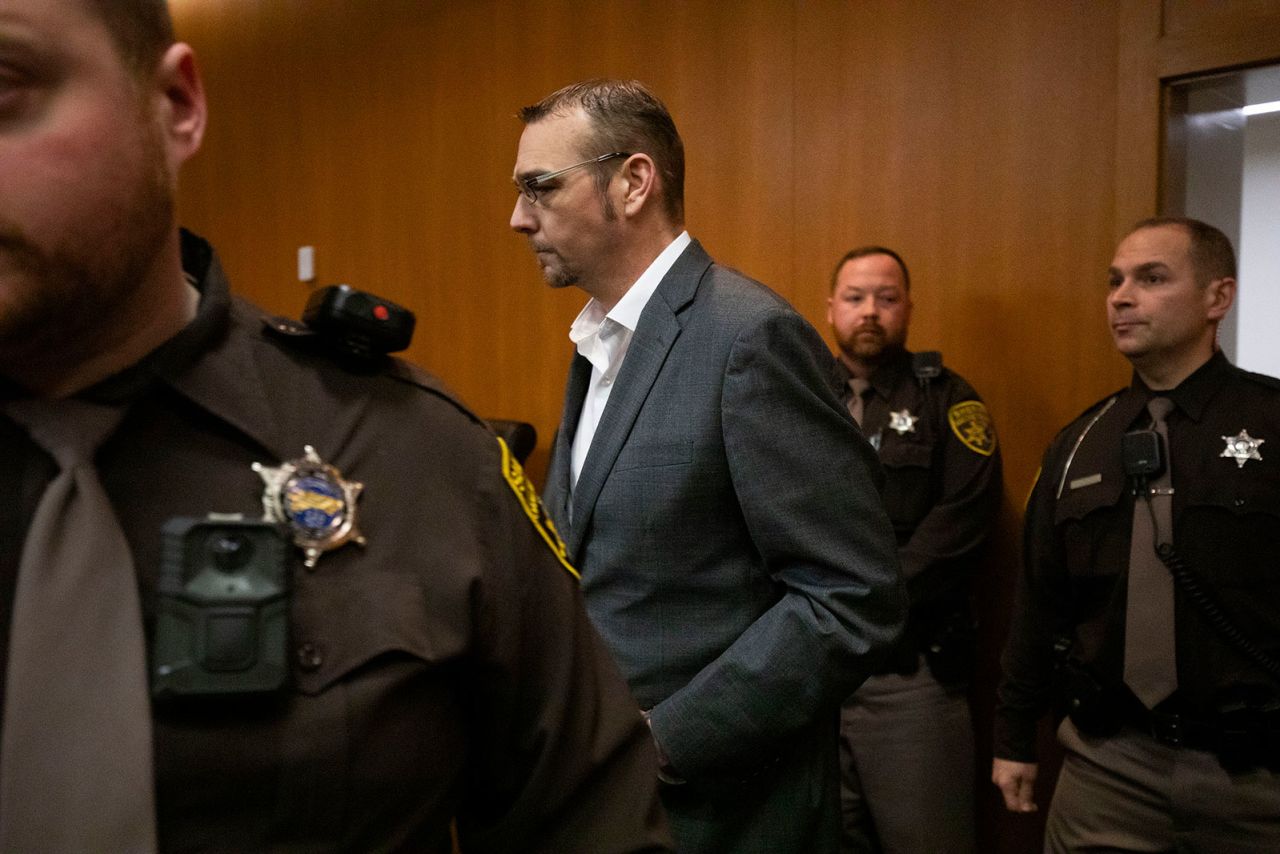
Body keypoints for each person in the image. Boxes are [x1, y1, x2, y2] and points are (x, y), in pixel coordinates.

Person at [0, 2, 672, 851]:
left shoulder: (416, 455)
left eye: (5, 85)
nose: (516, 217)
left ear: (174, 105)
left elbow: (588, 819)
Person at [510, 79, 907, 854]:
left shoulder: (747, 337)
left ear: (632, 182)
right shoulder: (599, 344)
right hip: (609, 809)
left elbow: (854, 597)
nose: (518, 217)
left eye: (540, 187)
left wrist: (666, 742)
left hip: (727, 814)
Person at [993, 217, 1280, 851]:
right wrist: (1014, 737)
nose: (1121, 297)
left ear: (1218, 298)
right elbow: (1038, 604)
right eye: (1115, 281)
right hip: (1109, 769)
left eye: (1152, 279)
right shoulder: (1079, 443)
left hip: (1256, 777)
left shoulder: (1272, 421)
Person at [826, 247, 1002, 853]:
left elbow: (962, 524)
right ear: (830, 308)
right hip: (812, 676)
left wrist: (863, 603)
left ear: (908, 308)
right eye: (854, 297)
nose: (869, 311)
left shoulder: (948, 400)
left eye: (886, 297)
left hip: (911, 675)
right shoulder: (799, 396)